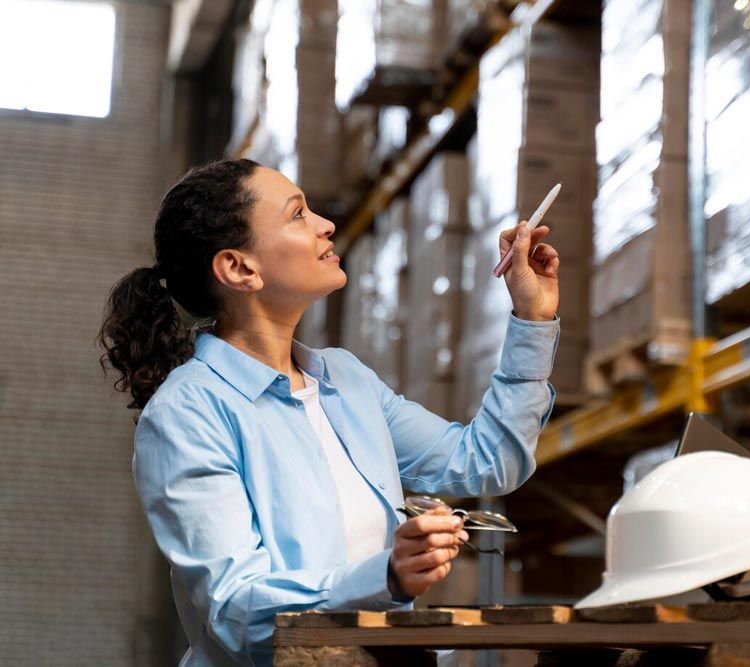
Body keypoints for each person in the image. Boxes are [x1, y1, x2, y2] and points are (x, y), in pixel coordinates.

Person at [98, 159, 561, 666]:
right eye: (298, 215)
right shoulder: (189, 412)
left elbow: (488, 460)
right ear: (239, 268)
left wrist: (531, 319)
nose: (326, 224)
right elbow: (235, 610)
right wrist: (386, 576)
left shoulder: (345, 379)